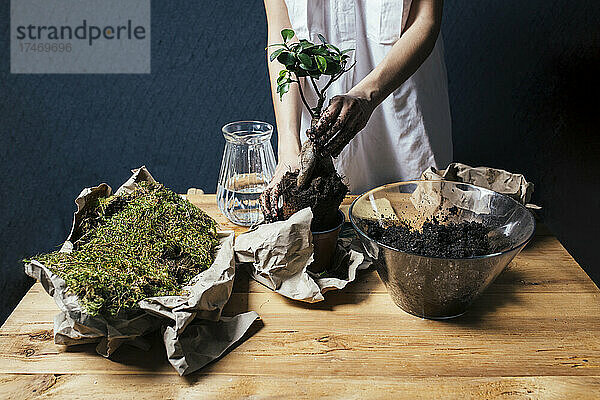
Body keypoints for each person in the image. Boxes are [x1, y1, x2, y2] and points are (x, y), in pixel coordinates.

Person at [262, 0, 452, 218]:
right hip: (322, 115)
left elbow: (426, 20)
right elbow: (281, 33)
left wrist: (365, 96)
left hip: (402, 108)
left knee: (424, 219)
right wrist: (288, 147)